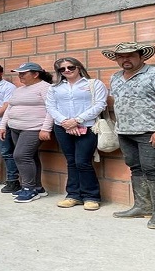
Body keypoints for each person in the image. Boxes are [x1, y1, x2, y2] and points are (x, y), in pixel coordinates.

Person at [102, 42, 155, 228]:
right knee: (135, 168)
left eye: (130, 55)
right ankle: (142, 206)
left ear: (141, 56)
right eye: (120, 56)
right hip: (125, 131)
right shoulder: (116, 77)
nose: (125, 59)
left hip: (150, 132)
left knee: (153, 169)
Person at [45, 57, 106, 211]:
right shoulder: (54, 88)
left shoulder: (93, 84)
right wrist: (65, 122)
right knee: (71, 161)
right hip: (62, 127)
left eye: (70, 67)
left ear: (79, 67)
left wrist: (77, 120)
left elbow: (100, 104)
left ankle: (91, 196)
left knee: (82, 161)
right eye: (62, 69)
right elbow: (51, 107)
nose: (66, 71)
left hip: (88, 126)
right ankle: (73, 195)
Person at [0, 62, 53, 203]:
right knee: (30, 157)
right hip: (16, 128)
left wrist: (46, 128)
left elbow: (52, 109)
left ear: (35, 74)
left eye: (23, 73)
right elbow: (10, 108)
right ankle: (38, 188)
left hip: (34, 128)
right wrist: (2, 126)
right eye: (19, 73)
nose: (20, 76)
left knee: (21, 156)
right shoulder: (19, 89)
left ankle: (28, 189)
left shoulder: (45, 88)